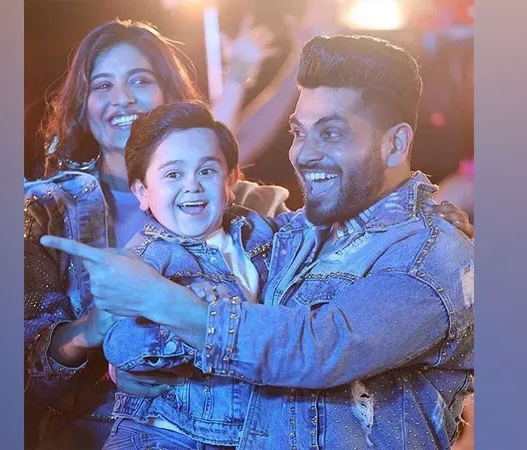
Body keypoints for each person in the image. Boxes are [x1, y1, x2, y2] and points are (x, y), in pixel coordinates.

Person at [43, 35, 474, 449]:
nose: (305, 153)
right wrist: (140, 359)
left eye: (331, 133)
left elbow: (315, 349)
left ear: (395, 144)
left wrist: (162, 302)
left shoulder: (430, 255)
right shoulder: (293, 234)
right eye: (299, 132)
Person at [24, 19, 288, 450]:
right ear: (83, 107)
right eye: (102, 85)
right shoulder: (46, 210)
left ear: (170, 94)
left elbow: (293, 335)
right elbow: (7, 376)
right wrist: (93, 334)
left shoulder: (250, 208)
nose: (122, 98)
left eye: (140, 80)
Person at [100, 100, 278, 449]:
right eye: (173, 174)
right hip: (161, 431)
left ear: (231, 180)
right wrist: (184, 315)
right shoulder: (148, 257)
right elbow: (119, 344)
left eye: (207, 171)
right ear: (142, 192)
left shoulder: (259, 233)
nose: (192, 185)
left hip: (242, 434)